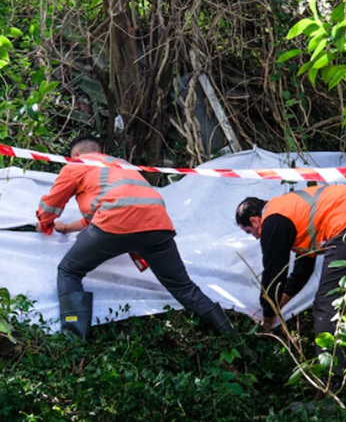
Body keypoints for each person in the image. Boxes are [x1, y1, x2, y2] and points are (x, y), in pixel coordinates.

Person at [36, 133, 235, 340]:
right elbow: (104, 209)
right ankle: (235, 341)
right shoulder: (120, 166)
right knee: (184, 288)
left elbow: (52, 204)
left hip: (116, 222)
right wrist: (67, 228)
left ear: (75, 154)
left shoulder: (77, 164)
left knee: (69, 271)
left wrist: (43, 223)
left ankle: (73, 342)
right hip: (157, 225)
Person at [235, 184, 346, 376]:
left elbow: (274, 274)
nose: (254, 238)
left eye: (249, 231)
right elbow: (302, 271)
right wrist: (277, 307)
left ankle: (331, 383)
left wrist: (268, 315)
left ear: (254, 220)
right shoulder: (290, 213)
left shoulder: (272, 221)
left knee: (326, 303)